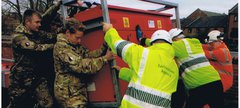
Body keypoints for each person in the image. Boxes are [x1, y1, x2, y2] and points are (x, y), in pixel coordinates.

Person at [102, 22, 178, 108]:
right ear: (170, 44)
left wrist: (109, 30)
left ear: (152, 42)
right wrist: (122, 72)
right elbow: (146, 78)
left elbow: (118, 45)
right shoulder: (175, 68)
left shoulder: (144, 53)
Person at [53, 18, 114, 108]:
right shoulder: (62, 48)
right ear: (67, 33)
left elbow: (88, 55)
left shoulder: (74, 45)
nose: (79, 41)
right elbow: (80, 65)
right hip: (68, 94)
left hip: (76, 91)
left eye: (80, 38)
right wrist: (104, 59)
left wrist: (105, 44)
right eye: (77, 38)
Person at [8, 7, 60, 107]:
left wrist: (66, 31)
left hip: (36, 78)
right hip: (21, 80)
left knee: (48, 104)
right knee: (17, 104)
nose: (40, 25)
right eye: (37, 22)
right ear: (27, 22)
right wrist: (55, 46)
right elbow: (36, 48)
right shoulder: (18, 37)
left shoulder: (37, 33)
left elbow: (53, 36)